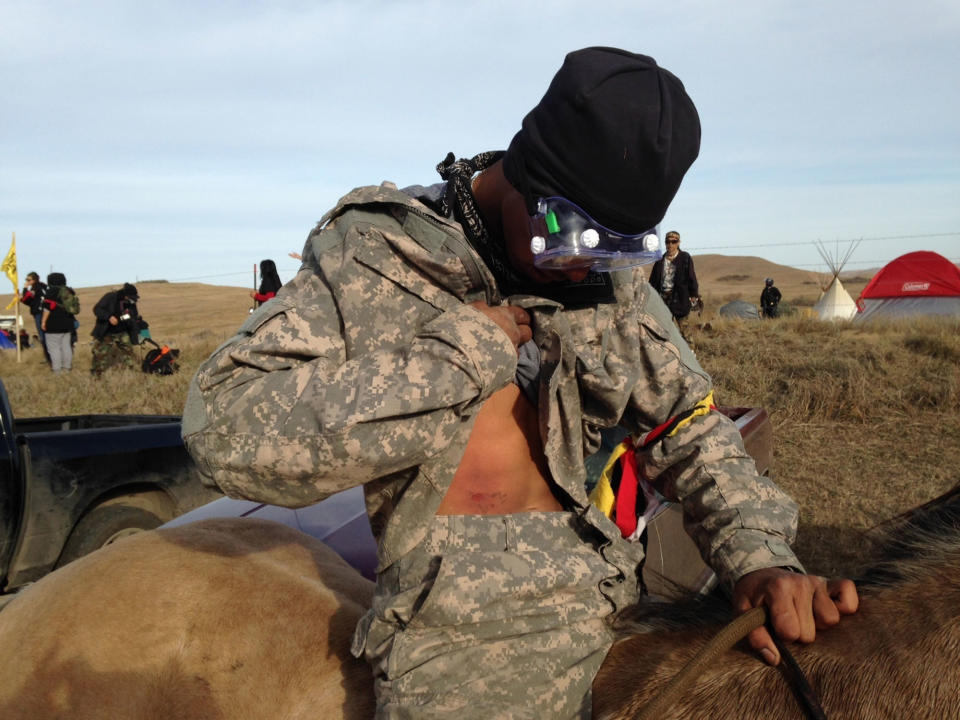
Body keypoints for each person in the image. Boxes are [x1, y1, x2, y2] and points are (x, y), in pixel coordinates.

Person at [183, 48, 857, 718]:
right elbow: (224, 429)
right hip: (465, 657)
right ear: (525, 175)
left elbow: (690, 425)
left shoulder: (611, 282)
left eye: (613, 249)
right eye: (564, 239)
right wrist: (451, 362)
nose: (579, 271)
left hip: (618, 609)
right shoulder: (380, 259)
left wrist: (760, 556)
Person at [648, 230, 700, 324]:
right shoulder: (660, 260)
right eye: (668, 242)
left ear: (678, 242)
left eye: (674, 241)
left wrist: (694, 294)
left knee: (684, 329)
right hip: (662, 299)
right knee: (664, 328)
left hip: (680, 297)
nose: (670, 244)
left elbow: (691, 276)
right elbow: (653, 280)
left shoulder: (685, 257)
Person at [91, 282, 140, 376]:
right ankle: (96, 374)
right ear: (126, 295)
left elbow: (134, 315)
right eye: (130, 297)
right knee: (100, 354)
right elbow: (97, 309)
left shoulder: (131, 302)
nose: (132, 300)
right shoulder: (110, 297)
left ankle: (131, 372)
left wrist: (128, 318)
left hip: (122, 331)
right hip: (107, 331)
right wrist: (109, 317)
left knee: (128, 350)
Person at [40, 272, 78, 373]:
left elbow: (47, 309)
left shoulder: (51, 292)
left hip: (53, 324)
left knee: (54, 348)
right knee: (66, 347)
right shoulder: (69, 291)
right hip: (68, 324)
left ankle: (57, 370)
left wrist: (43, 322)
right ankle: (67, 368)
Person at [20, 271, 50, 362]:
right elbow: (31, 302)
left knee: (42, 336)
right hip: (47, 311)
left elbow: (26, 298)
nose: (27, 281)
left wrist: (25, 288)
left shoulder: (35, 288)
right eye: (26, 280)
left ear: (34, 280)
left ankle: (48, 357)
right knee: (48, 335)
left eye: (28, 279)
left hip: (39, 313)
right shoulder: (43, 286)